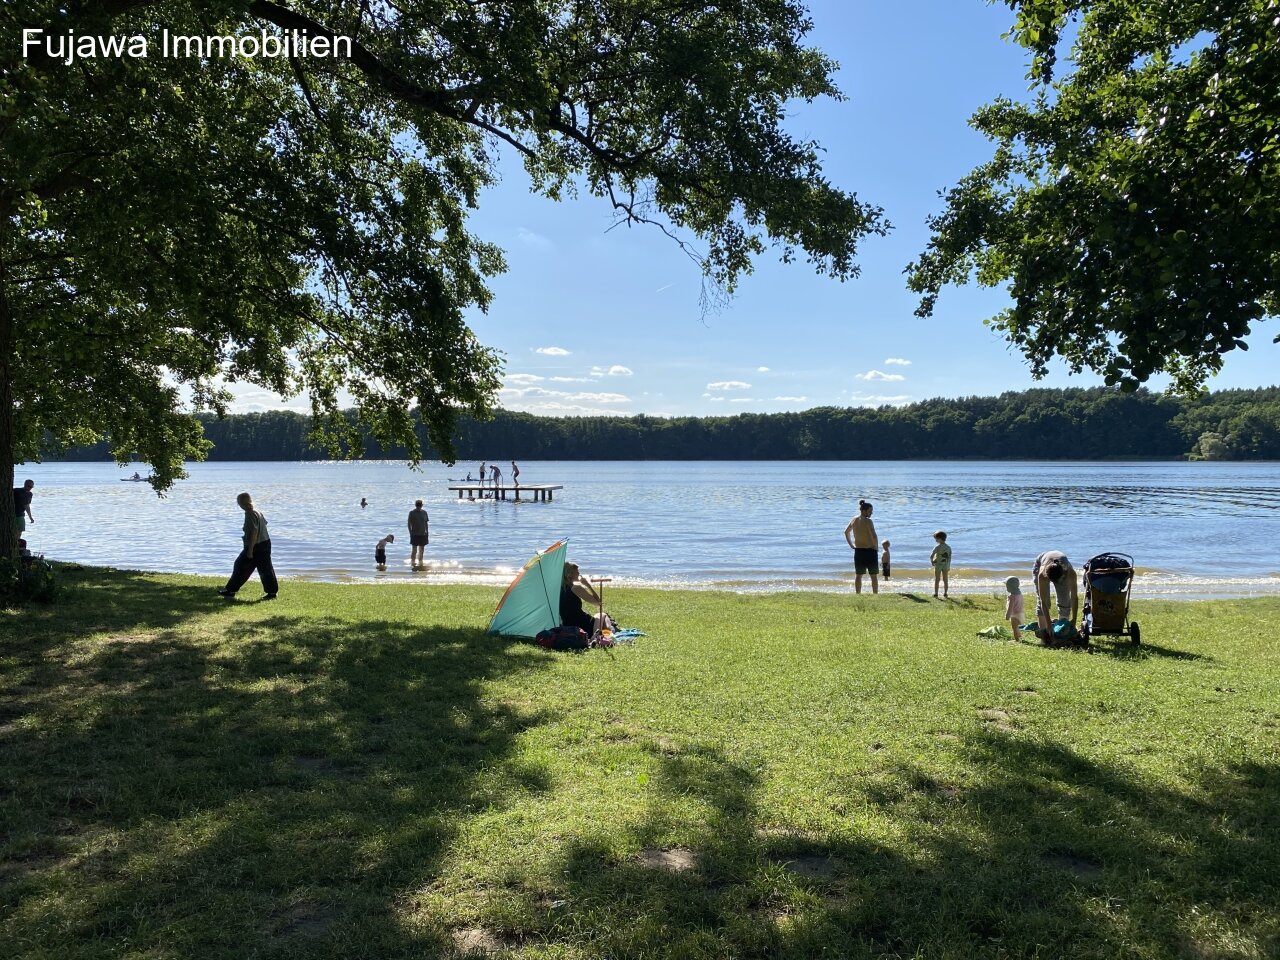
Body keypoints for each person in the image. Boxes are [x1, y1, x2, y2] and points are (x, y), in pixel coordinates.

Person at [218, 492, 278, 600]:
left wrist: (250, 550)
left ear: (241, 503)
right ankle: (272, 593)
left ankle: (231, 590)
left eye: (239, 503)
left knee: (240, 565)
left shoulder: (250, 513)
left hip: (256, 545)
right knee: (266, 568)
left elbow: (254, 532)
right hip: (265, 542)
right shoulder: (257, 511)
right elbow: (264, 524)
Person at [1033, 550, 1079, 640]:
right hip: (1041, 562)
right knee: (1044, 600)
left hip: (1061, 570)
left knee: (1064, 600)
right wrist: (1049, 625)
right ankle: (1044, 634)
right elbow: (1043, 601)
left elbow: (1074, 597)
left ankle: (1062, 631)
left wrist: (1074, 620)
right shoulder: (1042, 574)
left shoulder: (1070, 572)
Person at [560, 561, 609, 634]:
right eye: (577, 572)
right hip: (582, 625)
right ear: (569, 575)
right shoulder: (576, 588)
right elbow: (598, 602)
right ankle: (596, 636)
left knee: (600, 619)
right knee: (603, 615)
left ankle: (603, 632)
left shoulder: (560, 589)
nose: (579, 574)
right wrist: (587, 585)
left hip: (567, 625)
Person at [843, 499, 879, 594]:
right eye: (870, 511)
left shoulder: (854, 520)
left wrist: (851, 545)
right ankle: (875, 594)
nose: (871, 513)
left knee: (859, 575)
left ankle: (858, 594)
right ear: (863, 511)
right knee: (873, 575)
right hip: (870, 550)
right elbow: (874, 535)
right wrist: (876, 547)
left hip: (858, 551)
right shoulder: (868, 521)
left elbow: (846, 532)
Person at [407, 499, 429, 567]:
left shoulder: (424, 512)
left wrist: (427, 532)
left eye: (420, 505)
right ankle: (413, 563)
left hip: (423, 534)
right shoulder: (412, 513)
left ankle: (420, 563)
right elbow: (409, 523)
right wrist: (410, 533)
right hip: (414, 534)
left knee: (421, 550)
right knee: (414, 551)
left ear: (422, 505)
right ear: (415, 505)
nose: (418, 507)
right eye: (417, 505)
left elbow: (426, 523)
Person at [930, 530, 952, 599]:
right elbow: (949, 557)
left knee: (937, 579)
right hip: (946, 565)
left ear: (939, 538)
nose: (935, 540)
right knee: (945, 580)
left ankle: (936, 594)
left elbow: (931, 555)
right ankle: (945, 593)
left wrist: (932, 561)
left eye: (936, 538)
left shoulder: (937, 547)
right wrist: (948, 565)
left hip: (938, 565)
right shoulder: (948, 547)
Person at [1005, 576, 1024, 641]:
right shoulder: (1020, 594)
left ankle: (1017, 639)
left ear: (1010, 587)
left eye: (1006, 586)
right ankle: (1019, 636)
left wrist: (1007, 616)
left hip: (1014, 615)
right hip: (1021, 613)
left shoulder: (1011, 597)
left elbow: (1010, 608)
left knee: (1014, 628)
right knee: (1017, 627)